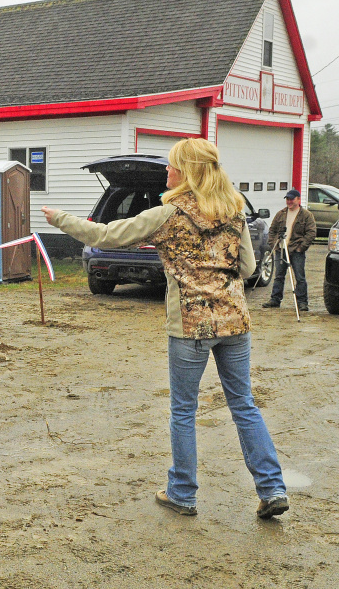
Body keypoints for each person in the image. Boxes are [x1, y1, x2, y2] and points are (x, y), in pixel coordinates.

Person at [42, 137, 289, 520]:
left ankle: (182, 494)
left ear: (187, 172)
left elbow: (107, 236)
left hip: (190, 327)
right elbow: (247, 270)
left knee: (184, 411)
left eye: (172, 166)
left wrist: (60, 218)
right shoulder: (235, 211)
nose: (167, 173)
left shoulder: (167, 214)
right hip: (235, 322)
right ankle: (272, 488)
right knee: (244, 405)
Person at [262, 188, 316, 312]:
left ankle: (302, 302)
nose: (289, 201)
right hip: (280, 250)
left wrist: (300, 247)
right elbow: (272, 230)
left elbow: (311, 233)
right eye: (287, 199)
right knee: (278, 276)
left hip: (296, 251)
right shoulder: (281, 214)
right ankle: (275, 300)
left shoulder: (306, 215)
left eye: (291, 199)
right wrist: (273, 244)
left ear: (298, 199)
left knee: (299, 277)